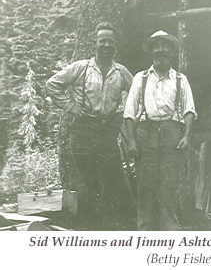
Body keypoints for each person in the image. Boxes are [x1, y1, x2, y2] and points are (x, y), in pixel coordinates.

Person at [46, 22, 135, 230]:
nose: (106, 45)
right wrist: (71, 106)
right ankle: (88, 231)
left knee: (113, 184)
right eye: (102, 41)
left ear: (115, 45)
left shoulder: (122, 72)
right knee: (85, 185)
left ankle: (112, 230)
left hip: (107, 134)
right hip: (83, 132)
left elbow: (136, 94)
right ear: (95, 43)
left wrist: (122, 114)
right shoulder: (81, 67)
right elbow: (52, 84)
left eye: (110, 42)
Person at [123, 30, 197, 230]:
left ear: (171, 51)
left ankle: (169, 231)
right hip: (145, 134)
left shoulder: (181, 80)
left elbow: (189, 110)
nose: (160, 50)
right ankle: (144, 230)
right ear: (151, 52)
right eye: (156, 47)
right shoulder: (141, 78)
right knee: (145, 187)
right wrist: (131, 141)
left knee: (168, 187)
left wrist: (186, 136)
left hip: (172, 134)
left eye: (164, 46)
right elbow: (129, 113)